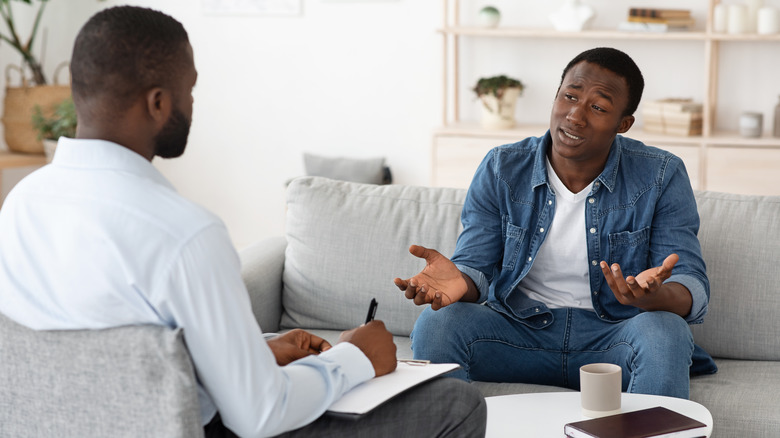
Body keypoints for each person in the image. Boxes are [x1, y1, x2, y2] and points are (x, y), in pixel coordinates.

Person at [0, 6, 486, 438]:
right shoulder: (184, 234)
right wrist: (355, 357)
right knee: (457, 404)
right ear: (157, 102)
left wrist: (247, 357)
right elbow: (259, 415)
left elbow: (101, 359)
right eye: (188, 90)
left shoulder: (20, 206)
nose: (192, 105)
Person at [394, 47, 717, 399]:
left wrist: (652, 296)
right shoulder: (502, 167)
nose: (575, 116)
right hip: (518, 333)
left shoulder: (661, 175)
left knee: (666, 331)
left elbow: (690, 284)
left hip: (613, 338)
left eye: (598, 107)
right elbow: (476, 268)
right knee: (439, 323)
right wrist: (460, 281)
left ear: (623, 124)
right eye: (570, 96)